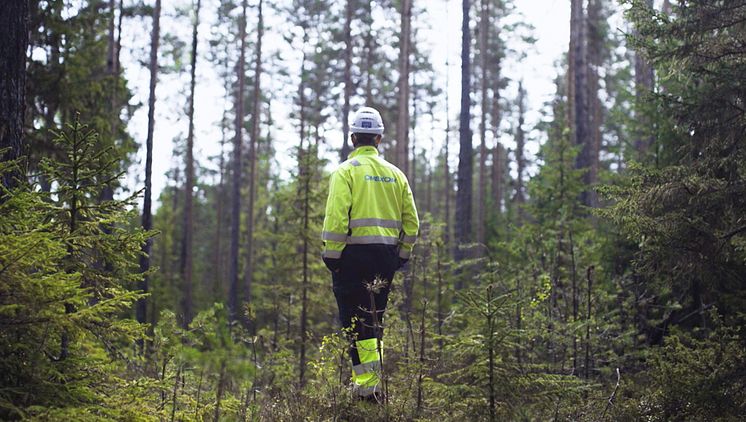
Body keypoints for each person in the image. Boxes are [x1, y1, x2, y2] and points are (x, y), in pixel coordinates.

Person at [321, 106, 419, 401]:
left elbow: (336, 218)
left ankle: (367, 389)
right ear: (378, 138)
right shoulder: (396, 175)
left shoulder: (345, 172)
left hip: (352, 259)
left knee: (355, 321)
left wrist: (332, 256)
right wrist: (402, 255)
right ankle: (371, 385)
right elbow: (412, 222)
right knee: (374, 320)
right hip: (385, 259)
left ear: (353, 138)